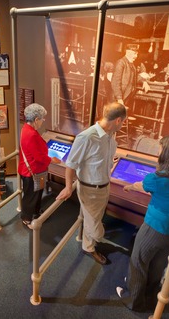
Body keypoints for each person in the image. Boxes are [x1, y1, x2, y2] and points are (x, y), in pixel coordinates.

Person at [116, 134, 169, 312]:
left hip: (153, 228)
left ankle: (133, 301)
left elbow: (141, 185)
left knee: (138, 261)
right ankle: (150, 295)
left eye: (161, 150)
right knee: (158, 264)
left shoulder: (158, 179)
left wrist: (130, 187)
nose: (159, 153)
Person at [56, 102, 127, 265]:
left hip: (104, 186)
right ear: (117, 121)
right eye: (122, 122)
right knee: (96, 231)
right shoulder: (87, 137)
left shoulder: (110, 136)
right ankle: (92, 241)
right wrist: (68, 187)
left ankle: (88, 246)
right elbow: (71, 163)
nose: (122, 125)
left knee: (93, 218)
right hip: (90, 190)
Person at [18, 103, 59, 226]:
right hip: (32, 171)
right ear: (36, 119)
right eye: (42, 119)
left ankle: (35, 212)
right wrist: (52, 160)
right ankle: (27, 218)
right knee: (31, 196)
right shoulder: (32, 134)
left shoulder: (26, 129)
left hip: (30, 170)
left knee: (36, 193)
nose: (42, 121)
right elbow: (38, 157)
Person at [111, 44, 139, 108]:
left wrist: (144, 81)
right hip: (119, 97)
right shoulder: (121, 62)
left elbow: (136, 78)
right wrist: (119, 98)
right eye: (135, 53)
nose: (136, 56)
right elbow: (115, 82)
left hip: (127, 96)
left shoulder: (132, 65)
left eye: (137, 54)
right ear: (128, 52)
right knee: (114, 116)